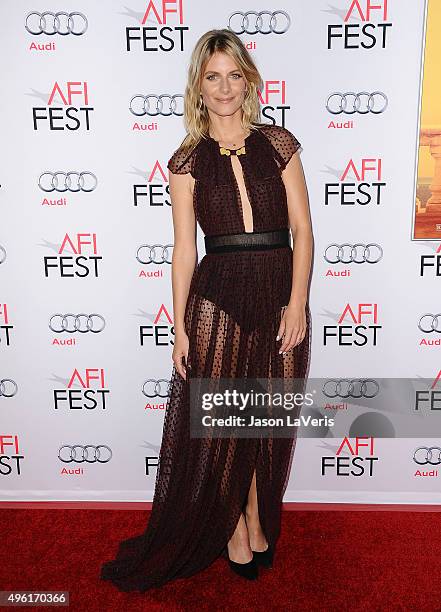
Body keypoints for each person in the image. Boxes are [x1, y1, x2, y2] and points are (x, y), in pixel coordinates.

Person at [100, 28, 312, 592]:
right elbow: (183, 249)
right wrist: (180, 326)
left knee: (263, 420)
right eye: (212, 76)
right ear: (199, 85)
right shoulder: (186, 161)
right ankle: (237, 525)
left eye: (234, 75)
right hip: (217, 299)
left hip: (276, 295)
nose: (224, 87)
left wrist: (298, 302)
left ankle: (257, 512)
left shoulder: (279, 143)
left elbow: (303, 230)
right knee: (224, 424)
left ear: (249, 81)